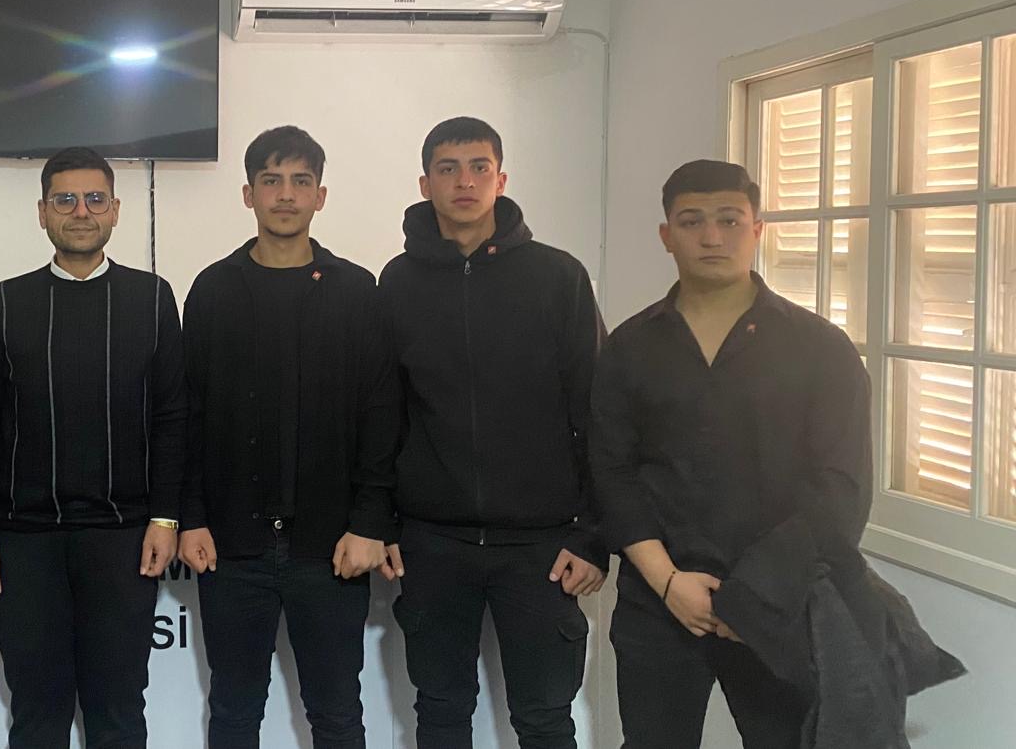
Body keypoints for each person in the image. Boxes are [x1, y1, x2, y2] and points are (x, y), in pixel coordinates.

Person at [590, 160, 872, 748]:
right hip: (659, 602)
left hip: (779, 606)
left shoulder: (820, 348)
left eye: (729, 220)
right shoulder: (629, 347)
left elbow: (842, 487)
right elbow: (612, 472)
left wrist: (755, 597)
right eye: (691, 221)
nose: (712, 236)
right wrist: (669, 582)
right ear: (666, 235)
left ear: (757, 229)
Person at [379, 116, 606, 749]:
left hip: (542, 546)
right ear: (425, 184)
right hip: (433, 541)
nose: (465, 182)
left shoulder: (558, 277)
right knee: (440, 711)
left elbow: (596, 413)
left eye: (479, 167)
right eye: (448, 169)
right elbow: (383, 413)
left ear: (501, 180)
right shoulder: (397, 283)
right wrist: (383, 522)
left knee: (544, 719)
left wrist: (593, 536)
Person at [179, 126, 398, 748]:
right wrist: (191, 517)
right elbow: (188, 414)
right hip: (232, 546)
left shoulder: (356, 291)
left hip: (330, 547)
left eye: (301, 181)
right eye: (271, 180)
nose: (285, 194)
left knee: (336, 714)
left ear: (320, 196)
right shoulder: (213, 289)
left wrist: (370, 521)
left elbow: (382, 414)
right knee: (233, 712)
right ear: (248, 194)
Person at [0, 147, 187, 748]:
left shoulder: (152, 298)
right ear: (42, 212)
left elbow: (171, 418)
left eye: (94, 199)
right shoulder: (3, 303)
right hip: (24, 541)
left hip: (123, 537)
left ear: (115, 210)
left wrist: (166, 517)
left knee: (118, 710)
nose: (80, 211)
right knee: (37, 711)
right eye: (65, 199)